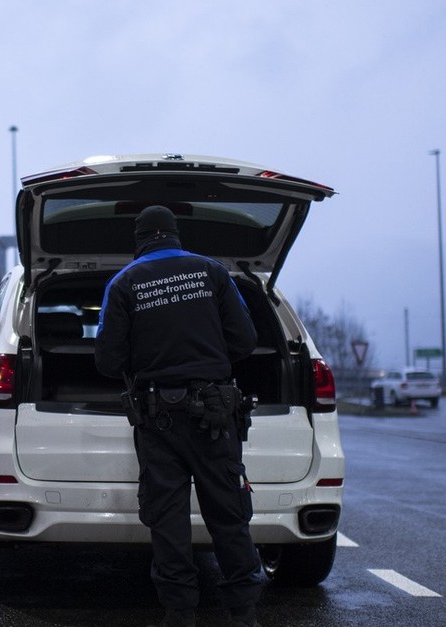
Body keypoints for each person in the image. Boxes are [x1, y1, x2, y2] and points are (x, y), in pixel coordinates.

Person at [93, 205, 265, 627]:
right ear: (175, 234)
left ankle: (179, 614)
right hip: (215, 418)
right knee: (228, 515)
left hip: (159, 421)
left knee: (168, 520)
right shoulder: (213, 272)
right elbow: (245, 340)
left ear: (140, 239)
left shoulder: (123, 283)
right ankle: (244, 614)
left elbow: (107, 360)